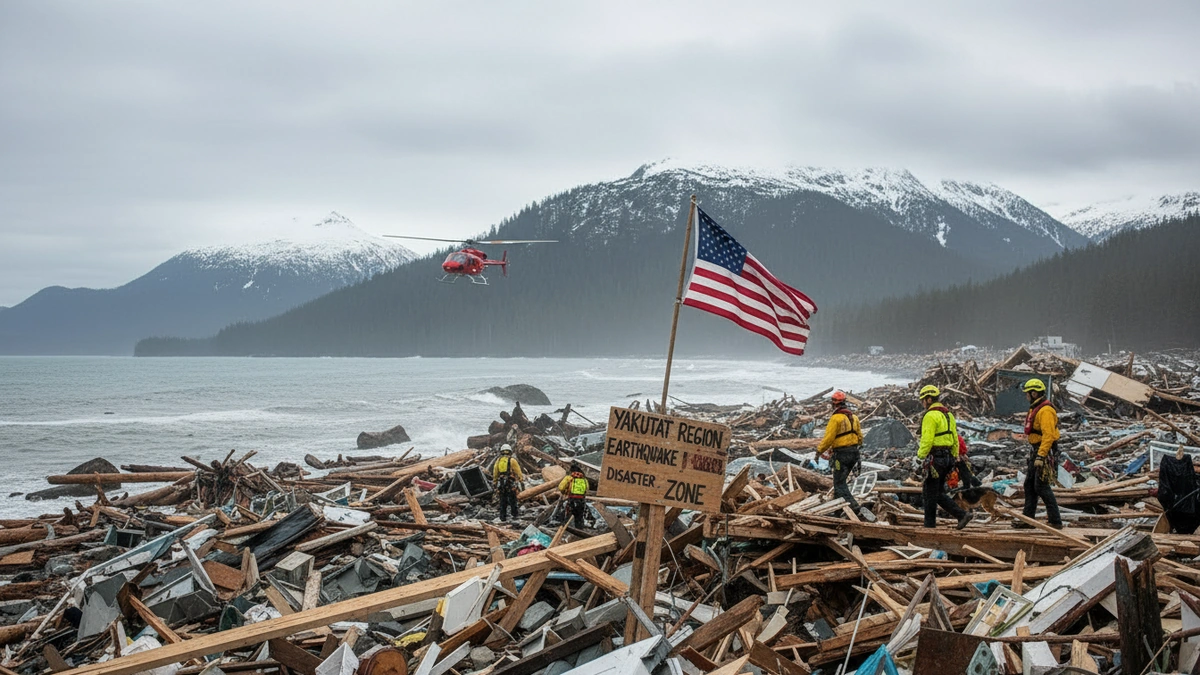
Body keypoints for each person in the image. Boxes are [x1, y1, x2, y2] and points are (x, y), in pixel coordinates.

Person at [917, 385, 971, 530]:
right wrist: (954, 456)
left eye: (923, 400)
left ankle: (932, 525)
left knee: (929, 493)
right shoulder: (948, 415)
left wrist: (920, 457)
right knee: (938, 491)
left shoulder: (930, 415)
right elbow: (955, 437)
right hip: (947, 458)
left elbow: (927, 440)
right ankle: (959, 515)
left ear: (929, 399)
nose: (923, 403)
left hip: (935, 459)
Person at [817, 391, 876, 522]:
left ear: (833, 403)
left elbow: (828, 438)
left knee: (839, 483)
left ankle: (856, 508)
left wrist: (819, 451)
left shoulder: (835, 418)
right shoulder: (854, 417)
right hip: (854, 454)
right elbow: (860, 437)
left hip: (841, 455)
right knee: (839, 481)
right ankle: (837, 511)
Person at [1018, 379, 1063, 529]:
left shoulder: (1046, 411)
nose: (1026, 397)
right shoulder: (1035, 408)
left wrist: (1041, 456)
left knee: (1041, 487)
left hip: (1045, 451)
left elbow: (1048, 436)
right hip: (1036, 450)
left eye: (1027, 394)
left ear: (1034, 393)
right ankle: (1027, 519)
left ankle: (1055, 521)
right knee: (1029, 485)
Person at [491, 444, 523, 522]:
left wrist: (495, 481)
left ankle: (502, 516)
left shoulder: (498, 460)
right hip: (510, 482)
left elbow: (495, 472)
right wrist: (521, 480)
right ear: (510, 451)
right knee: (513, 499)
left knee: (502, 499)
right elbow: (518, 471)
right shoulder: (512, 460)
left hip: (501, 483)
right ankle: (514, 514)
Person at [558, 461, 590, 526]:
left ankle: (567, 527)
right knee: (579, 516)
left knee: (569, 514)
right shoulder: (584, 479)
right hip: (581, 499)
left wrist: (564, 492)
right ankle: (579, 528)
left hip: (572, 498)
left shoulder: (569, 478)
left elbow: (561, 487)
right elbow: (587, 490)